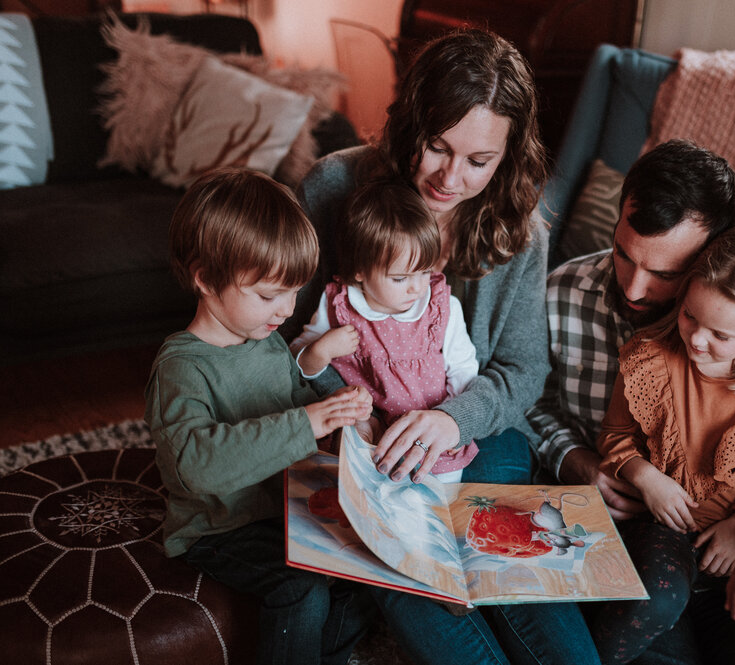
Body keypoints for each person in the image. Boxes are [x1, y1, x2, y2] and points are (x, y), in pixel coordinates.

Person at [290, 28, 601, 665]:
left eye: (479, 161)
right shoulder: (332, 188)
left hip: (481, 434)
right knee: (409, 558)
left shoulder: (520, 229)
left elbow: (522, 369)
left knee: (512, 563)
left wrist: (448, 419)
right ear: (411, 125)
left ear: (508, 156)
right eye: (437, 147)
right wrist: (354, 414)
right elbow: (283, 343)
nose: (451, 178)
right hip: (362, 440)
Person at [528, 139, 735, 664]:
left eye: (667, 274)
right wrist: (576, 460)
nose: (636, 288)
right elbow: (525, 403)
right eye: (623, 253)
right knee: (657, 613)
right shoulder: (562, 296)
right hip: (642, 540)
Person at [144, 168, 375, 665]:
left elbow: (291, 405)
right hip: (218, 526)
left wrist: (338, 421)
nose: (286, 310)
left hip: (283, 510)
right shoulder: (182, 367)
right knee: (301, 587)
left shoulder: (266, 341)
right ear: (205, 278)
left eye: (294, 292)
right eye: (269, 295)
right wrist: (306, 423)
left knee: (364, 575)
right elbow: (195, 468)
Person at [591, 216, 735, 663]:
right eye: (689, 316)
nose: (697, 340)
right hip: (662, 527)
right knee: (655, 598)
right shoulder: (651, 359)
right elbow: (616, 436)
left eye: (720, 335)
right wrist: (647, 478)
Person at [293, 177, 480, 483]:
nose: (417, 287)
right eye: (399, 278)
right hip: (369, 431)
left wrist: (451, 421)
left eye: (424, 271)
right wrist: (321, 350)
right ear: (360, 272)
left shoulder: (441, 308)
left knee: (433, 505)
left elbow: (463, 369)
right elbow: (299, 365)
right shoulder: (338, 306)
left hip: (428, 435)